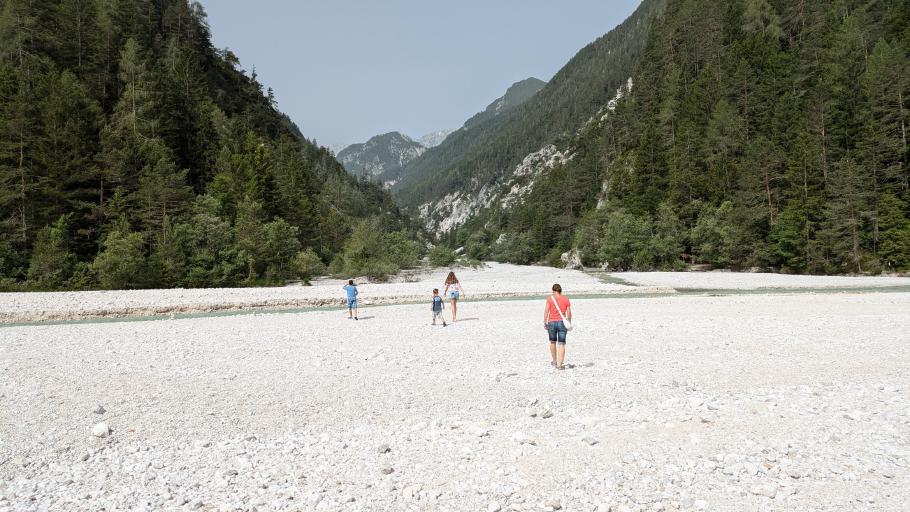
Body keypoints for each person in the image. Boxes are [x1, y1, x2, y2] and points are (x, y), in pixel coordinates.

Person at [543, 283, 571, 370]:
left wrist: (545, 322)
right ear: (560, 290)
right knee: (562, 343)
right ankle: (559, 365)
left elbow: (546, 311)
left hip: (551, 322)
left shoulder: (549, 299)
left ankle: (554, 361)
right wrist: (568, 322)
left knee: (552, 342)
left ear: (553, 290)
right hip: (562, 323)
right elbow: (569, 313)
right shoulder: (566, 299)